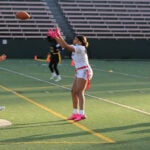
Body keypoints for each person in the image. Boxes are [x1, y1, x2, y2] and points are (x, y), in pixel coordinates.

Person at [47, 28, 93, 122]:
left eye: (76, 39)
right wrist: (58, 36)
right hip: (79, 70)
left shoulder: (80, 48)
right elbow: (63, 45)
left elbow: (65, 46)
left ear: (80, 42)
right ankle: (75, 112)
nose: (74, 39)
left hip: (84, 71)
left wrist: (56, 36)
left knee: (80, 92)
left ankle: (82, 114)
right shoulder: (76, 46)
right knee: (73, 91)